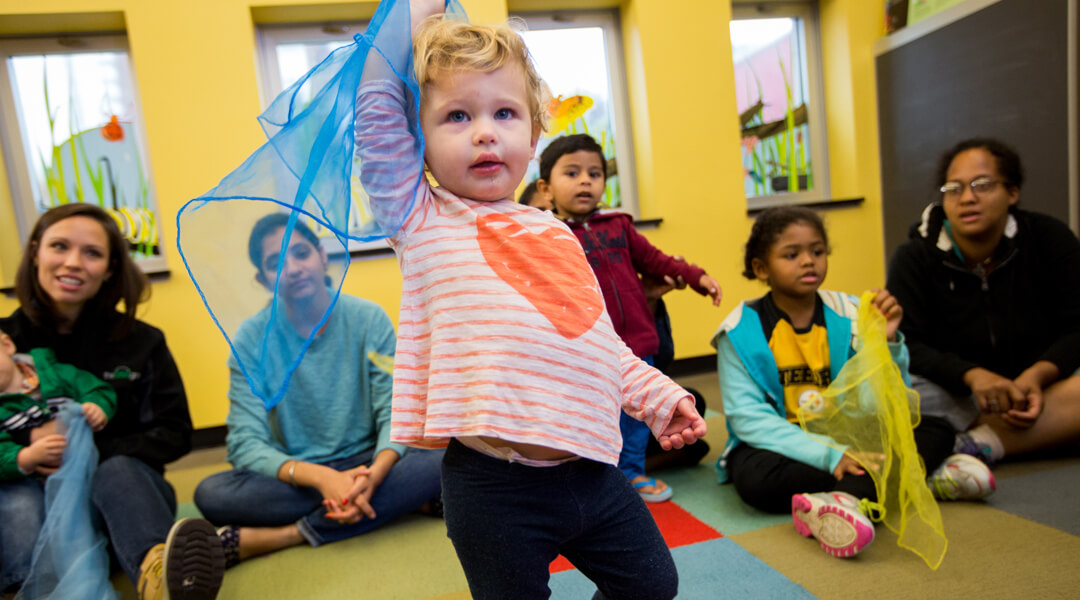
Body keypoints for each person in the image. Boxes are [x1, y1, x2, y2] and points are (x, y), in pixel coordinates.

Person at [351, 1, 706, 597]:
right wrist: (417, 14)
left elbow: (593, 339)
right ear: (420, 138)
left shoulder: (555, 233)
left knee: (651, 586)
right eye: (457, 116)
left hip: (591, 470)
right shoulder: (420, 217)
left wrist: (657, 395)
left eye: (504, 113)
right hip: (494, 488)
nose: (485, 131)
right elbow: (375, 113)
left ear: (534, 133)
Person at [712, 207, 994, 558]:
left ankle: (845, 497)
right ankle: (910, 478)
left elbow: (889, 400)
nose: (808, 262)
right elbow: (748, 419)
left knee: (936, 428)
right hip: (783, 445)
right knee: (756, 481)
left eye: (817, 251)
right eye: (791, 254)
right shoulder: (740, 330)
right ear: (761, 268)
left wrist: (887, 342)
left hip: (850, 435)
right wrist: (831, 457)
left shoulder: (851, 312)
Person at [193, 213, 443, 567]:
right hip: (298, 475)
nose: (292, 268)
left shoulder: (368, 319)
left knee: (443, 459)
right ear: (263, 279)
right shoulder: (251, 339)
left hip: (367, 462)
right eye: (274, 263)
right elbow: (244, 443)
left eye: (300, 253)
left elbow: (396, 411)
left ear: (322, 256)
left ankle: (287, 534)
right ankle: (402, 502)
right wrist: (323, 478)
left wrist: (373, 474)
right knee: (212, 494)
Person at [0, 203, 223, 600]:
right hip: (28, 504)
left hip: (124, 501)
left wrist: (84, 452)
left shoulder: (142, 342)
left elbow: (175, 435)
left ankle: (159, 576)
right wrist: (26, 457)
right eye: (59, 246)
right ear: (35, 252)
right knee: (17, 499)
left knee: (118, 470)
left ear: (110, 269)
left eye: (92, 253)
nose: (73, 263)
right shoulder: (3, 342)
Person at [535, 133, 722, 503]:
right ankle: (597, 475)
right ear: (546, 187)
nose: (586, 180)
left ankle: (633, 472)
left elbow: (657, 260)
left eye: (595, 173)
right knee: (596, 413)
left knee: (639, 417)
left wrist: (696, 276)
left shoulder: (619, 226)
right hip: (587, 348)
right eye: (572, 173)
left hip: (636, 343)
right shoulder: (547, 234)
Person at [887, 138, 1080, 465]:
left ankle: (967, 446)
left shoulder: (1049, 238)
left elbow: (1077, 325)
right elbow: (910, 345)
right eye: (954, 188)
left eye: (982, 185)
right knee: (890, 396)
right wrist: (972, 375)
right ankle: (1040, 433)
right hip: (959, 392)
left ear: (1013, 193)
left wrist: (1038, 375)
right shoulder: (914, 256)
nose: (967, 198)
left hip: (1043, 387)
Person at [0, 328, 115, 480]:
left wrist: (96, 407)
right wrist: (26, 457)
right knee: (24, 503)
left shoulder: (54, 373)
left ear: (7, 345)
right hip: (27, 478)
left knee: (115, 478)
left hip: (87, 459)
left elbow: (96, 389)